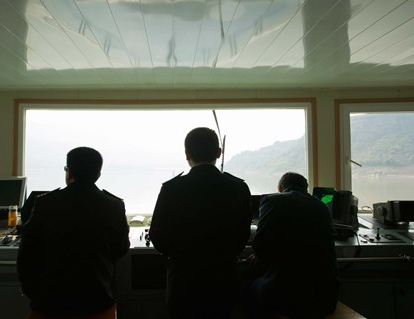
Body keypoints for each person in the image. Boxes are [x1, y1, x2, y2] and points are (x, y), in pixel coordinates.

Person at [149, 127, 253, 319]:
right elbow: (242, 236)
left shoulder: (171, 189)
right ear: (218, 153)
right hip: (223, 280)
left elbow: (157, 236)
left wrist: (181, 254)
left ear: (187, 154)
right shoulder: (238, 187)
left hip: (183, 282)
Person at [17, 146, 130, 319]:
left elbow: (27, 252)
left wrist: (31, 291)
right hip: (97, 300)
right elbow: (121, 248)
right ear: (98, 174)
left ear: (69, 172)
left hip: (49, 302)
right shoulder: (114, 205)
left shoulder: (45, 204)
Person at [241, 172, 339, 319]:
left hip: (287, 299)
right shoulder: (322, 207)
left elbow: (260, 247)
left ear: (280, 187)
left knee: (243, 288)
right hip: (326, 298)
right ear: (306, 189)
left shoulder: (272, 201)